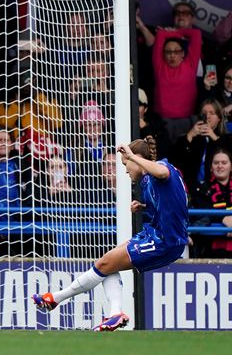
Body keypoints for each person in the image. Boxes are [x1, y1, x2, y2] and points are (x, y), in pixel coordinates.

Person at [32, 138, 189, 332]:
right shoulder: (148, 181)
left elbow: (163, 172)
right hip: (155, 235)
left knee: (104, 264)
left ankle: (56, 298)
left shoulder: (162, 169)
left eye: (126, 164)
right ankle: (114, 314)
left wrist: (131, 156)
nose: (125, 169)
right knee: (107, 263)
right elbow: (172, 203)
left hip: (165, 241)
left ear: (137, 159)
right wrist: (144, 206)